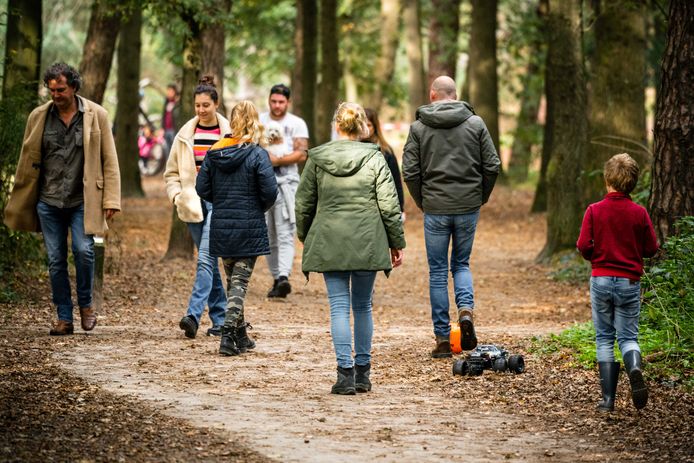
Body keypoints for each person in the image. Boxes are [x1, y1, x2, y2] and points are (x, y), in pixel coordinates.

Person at [295, 102, 406, 395]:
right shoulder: (375, 158)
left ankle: (344, 374)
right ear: (361, 127)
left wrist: (306, 234)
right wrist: (396, 242)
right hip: (367, 240)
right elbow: (390, 206)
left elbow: (303, 202)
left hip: (330, 238)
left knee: (339, 307)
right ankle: (363, 374)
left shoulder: (318, 159)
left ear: (337, 126)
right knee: (363, 306)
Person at [4, 62, 121, 335]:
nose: (55, 95)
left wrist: (111, 200)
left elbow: (110, 160)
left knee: (83, 251)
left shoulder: (97, 115)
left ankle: (86, 305)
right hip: (48, 200)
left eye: (61, 89)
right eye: (52, 90)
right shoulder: (39, 117)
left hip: (83, 200)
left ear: (74, 87)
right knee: (56, 260)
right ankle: (64, 317)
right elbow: (27, 159)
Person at [402, 75, 500, 358]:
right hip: (467, 205)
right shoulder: (475, 123)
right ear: (454, 95)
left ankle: (443, 338)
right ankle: (466, 311)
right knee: (461, 263)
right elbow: (492, 165)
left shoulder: (418, 127)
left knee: (437, 272)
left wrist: (423, 200)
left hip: (435, 207)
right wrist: (480, 196)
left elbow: (410, 171)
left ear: (432, 95)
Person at [576, 153, 658, 412]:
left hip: (601, 279)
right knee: (628, 336)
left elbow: (582, 246)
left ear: (607, 180)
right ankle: (634, 365)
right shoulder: (639, 213)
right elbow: (651, 248)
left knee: (603, 337)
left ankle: (608, 400)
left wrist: (596, 257)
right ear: (633, 182)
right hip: (629, 282)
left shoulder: (594, 210)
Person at [196, 101, 278, 356]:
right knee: (239, 284)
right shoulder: (257, 154)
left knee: (234, 283)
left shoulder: (215, 152)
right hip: (248, 225)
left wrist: (221, 200)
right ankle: (228, 335)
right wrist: (256, 207)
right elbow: (270, 192)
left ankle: (241, 335)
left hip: (222, 224)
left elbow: (202, 188)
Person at [164, 76, 229, 339]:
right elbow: (171, 173)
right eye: (197, 105)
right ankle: (221, 318)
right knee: (209, 264)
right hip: (191, 204)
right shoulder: (184, 135)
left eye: (206, 105)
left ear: (216, 104)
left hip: (219, 203)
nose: (201, 110)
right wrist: (176, 196)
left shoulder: (229, 133)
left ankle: (192, 314)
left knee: (204, 258)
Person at [259, 84, 309, 298]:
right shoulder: (260, 121)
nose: (277, 105)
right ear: (269, 100)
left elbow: (302, 153)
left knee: (285, 230)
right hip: (262, 183)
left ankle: (283, 277)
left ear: (288, 102)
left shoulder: (297, 123)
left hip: (287, 182)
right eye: (273, 101)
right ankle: (276, 276)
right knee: (268, 233)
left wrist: (277, 160)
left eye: (281, 102)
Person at [363, 108, 405, 221]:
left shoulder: (386, 151)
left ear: (375, 127)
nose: (365, 129)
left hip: (382, 207)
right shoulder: (351, 149)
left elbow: (396, 181)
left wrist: (401, 209)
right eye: (362, 125)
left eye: (369, 125)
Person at [162, 83, 180, 156]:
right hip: (166, 130)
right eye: (168, 91)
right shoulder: (167, 102)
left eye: (170, 91)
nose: (168, 93)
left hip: (174, 130)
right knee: (167, 150)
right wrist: (162, 128)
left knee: (174, 150)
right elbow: (163, 116)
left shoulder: (178, 103)